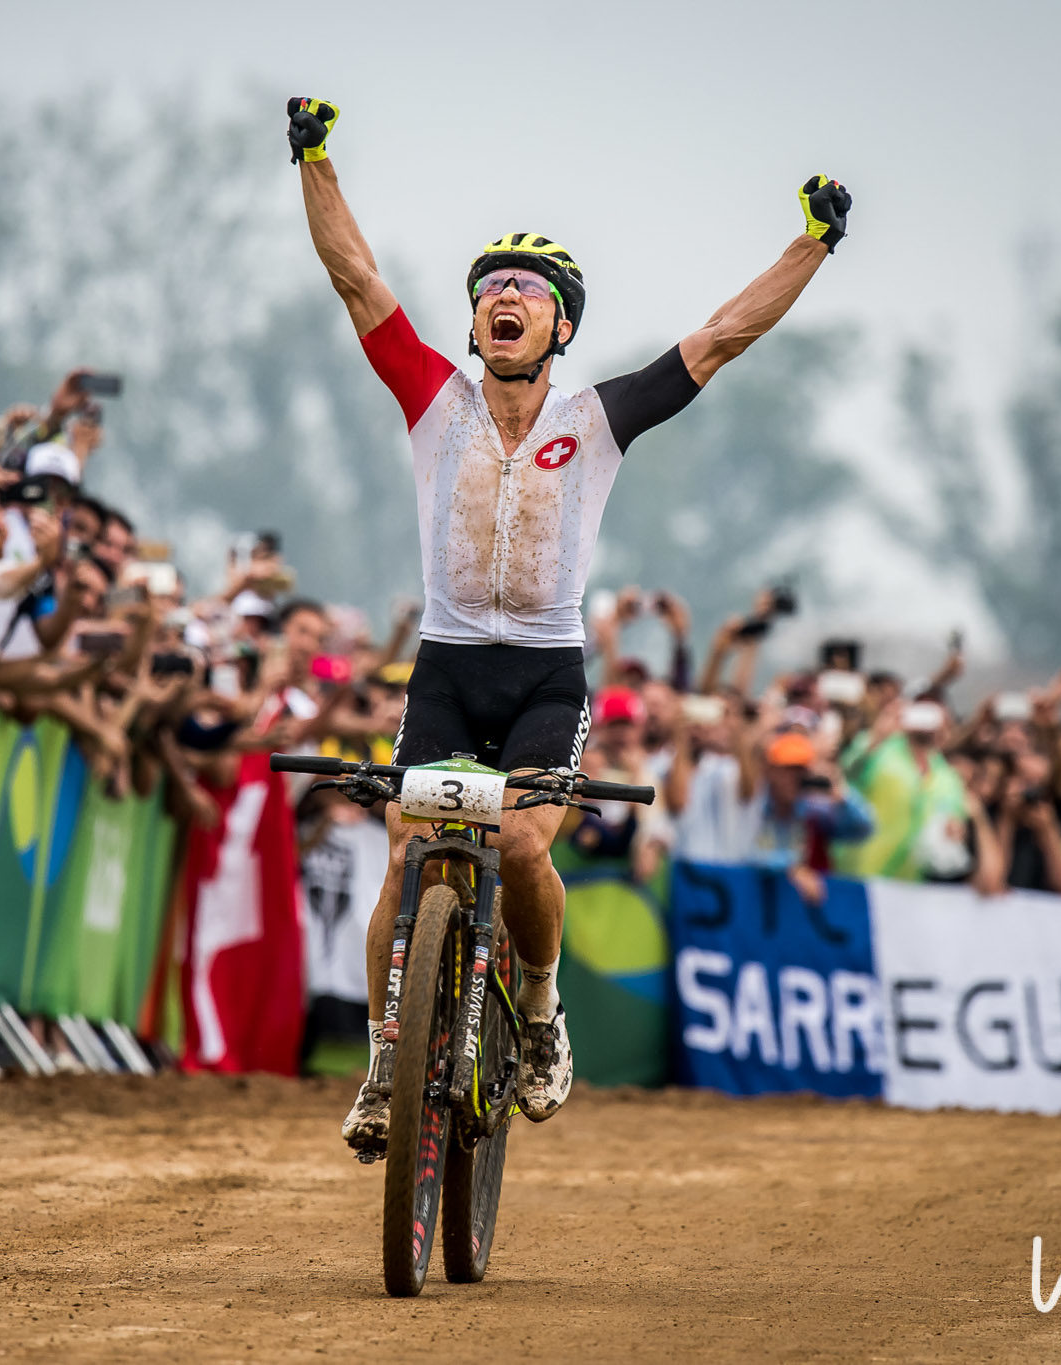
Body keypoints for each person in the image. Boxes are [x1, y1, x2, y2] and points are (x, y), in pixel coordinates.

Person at [286, 95, 852, 1152]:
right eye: (489, 287)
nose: (504, 297)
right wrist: (313, 157)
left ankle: (539, 1018)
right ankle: (380, 1069)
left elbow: (723, 336)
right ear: (472, 323)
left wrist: (811, 243)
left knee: (518, 843)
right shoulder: (429, 401)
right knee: (409, 854)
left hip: (545, 677)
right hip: (447, 668)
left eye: (527, 290)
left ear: (560, 326)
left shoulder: (596, 421)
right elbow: (355, 278)